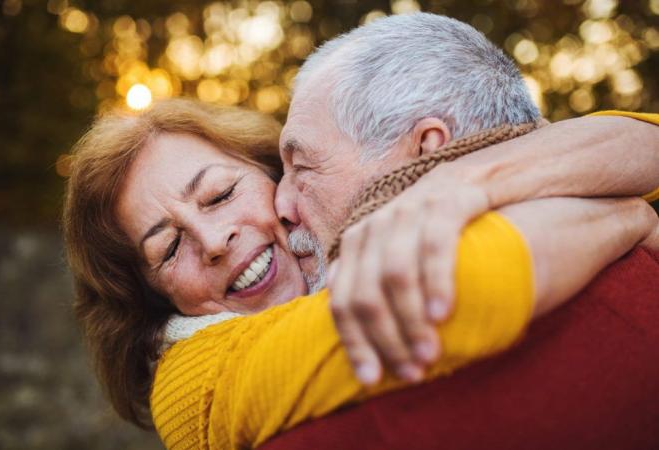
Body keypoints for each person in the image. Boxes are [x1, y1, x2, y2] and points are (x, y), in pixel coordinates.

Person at [61, 14, 659, 450]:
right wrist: (627, 212)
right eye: (167, 248)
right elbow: (431, 297)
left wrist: (467, 181)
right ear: (151, 295)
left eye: (222, 194)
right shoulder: (202, 380)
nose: (214, 241)